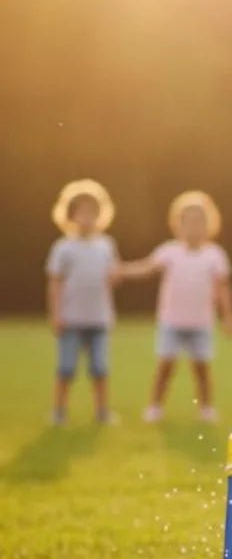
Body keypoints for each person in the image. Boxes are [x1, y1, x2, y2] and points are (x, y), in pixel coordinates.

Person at [118, 191, 232, 423]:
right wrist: (121, 270)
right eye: (189, 222)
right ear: (178, 225)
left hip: (201, 323)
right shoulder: (169, 251)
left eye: (199, 222)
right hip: (171, 321)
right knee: (165, 366)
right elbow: (146, 268)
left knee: (202, 369)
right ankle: (154, 408)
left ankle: (206, 409)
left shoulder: (215, 255)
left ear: (209, 225)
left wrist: (228, 317)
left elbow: (224, 289)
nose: (194, 227)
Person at [45, 179, 120, 426]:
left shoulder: (106, 245)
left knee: (100, 369)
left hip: (99, 318)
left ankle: (102, 412)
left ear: (101, 215)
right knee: (66, 368)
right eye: (82, 212)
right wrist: (56, 314)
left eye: (92, 212)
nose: (87, 218)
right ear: (70, 215)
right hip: (71, 319)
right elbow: (55, 282)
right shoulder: (63, 248)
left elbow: (113, 278)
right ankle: (59, 411)